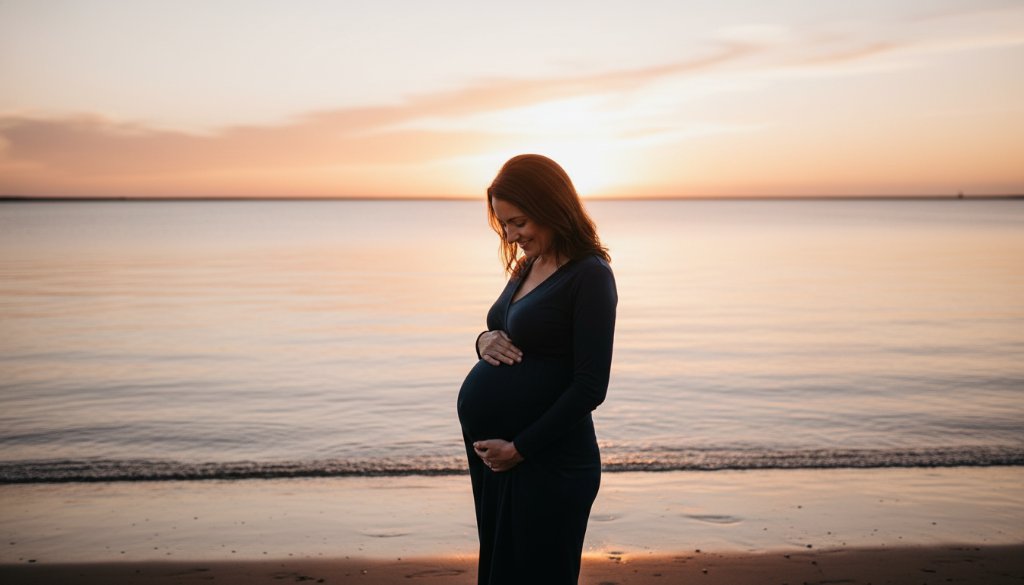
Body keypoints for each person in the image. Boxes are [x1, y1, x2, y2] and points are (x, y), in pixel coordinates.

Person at [457, 154, 617, 584]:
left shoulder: (590, 276)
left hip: (549, 463)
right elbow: (501, 326)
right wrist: (481, 340)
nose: (510, 235)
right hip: (502, 463)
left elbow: (590, 387)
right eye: (503, 224)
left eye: (519, 222)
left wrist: (520, 448)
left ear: (552, 208)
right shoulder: (529, 264)